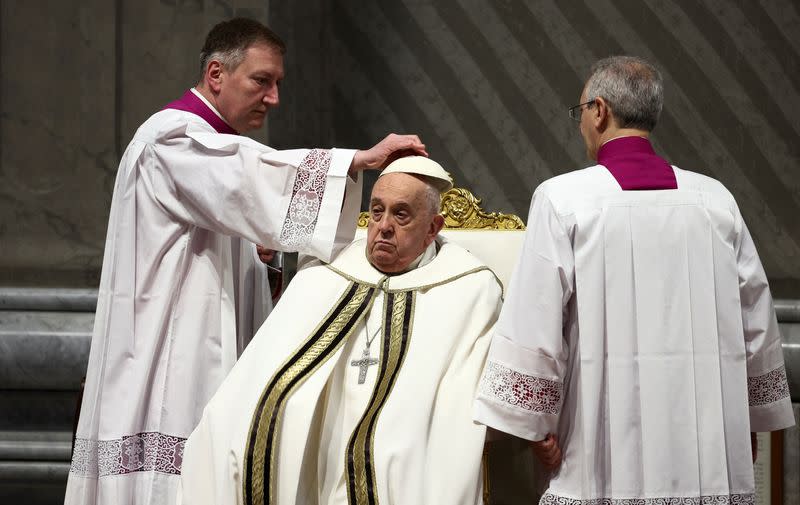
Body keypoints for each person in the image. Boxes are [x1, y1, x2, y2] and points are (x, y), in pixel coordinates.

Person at [65, 17, 427, 505]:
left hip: (210, 342)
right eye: (262, 80)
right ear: (217, 73)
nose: (274, 97)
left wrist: (265, 259)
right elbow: (241, 177)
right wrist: (355, 161)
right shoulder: (171, 139)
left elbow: (238, 204)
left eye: (278, 83)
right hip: (169, 354)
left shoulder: (215, 146)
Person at [473, 56, 795, 504]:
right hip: (702, 450)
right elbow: (755, 320)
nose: (580, 123)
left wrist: (535, 425)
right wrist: (747, 419)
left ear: (599, 110)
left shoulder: (562, 200)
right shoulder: (715, 200)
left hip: (599, 444)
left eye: (579, 111)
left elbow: (535, 321)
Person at [177, 156, 503, 505]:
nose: (383, 226)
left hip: (406, 431)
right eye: (377, 211)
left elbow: (461, 388)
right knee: (234, 431)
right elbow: (268, 364)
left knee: (392, 453)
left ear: (433, 228)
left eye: (401, 214)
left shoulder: (468, 287)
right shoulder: (325, 272)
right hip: (318, 430)